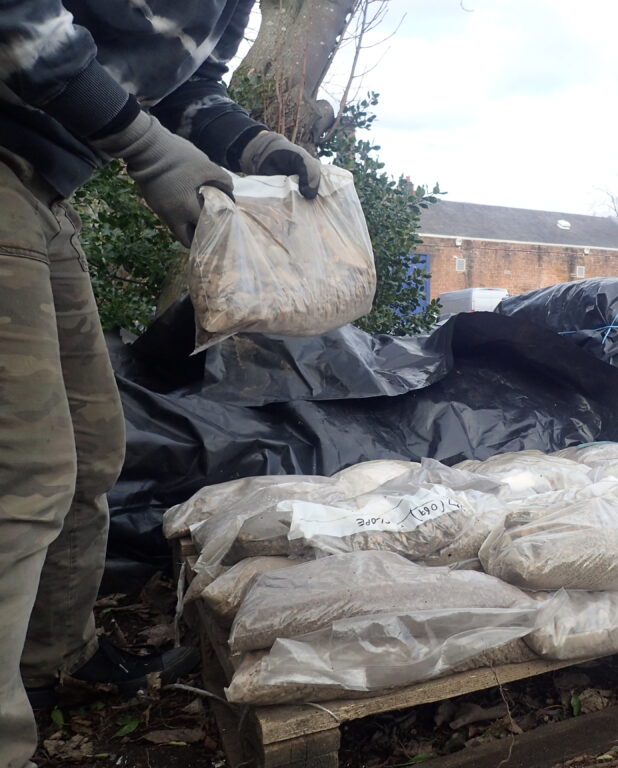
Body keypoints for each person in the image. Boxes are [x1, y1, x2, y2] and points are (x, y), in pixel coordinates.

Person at [0, 3, 322, 765]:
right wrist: (143, 148)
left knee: (90, 449)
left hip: (42, 188)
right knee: (22, 477)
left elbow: (183, 88)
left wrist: (252, 143)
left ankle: (53, 661)